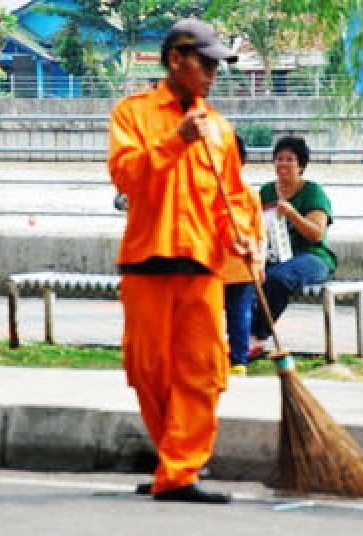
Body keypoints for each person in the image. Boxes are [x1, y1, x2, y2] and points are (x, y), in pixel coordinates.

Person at [107, 18, 259, 504]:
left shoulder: (220, 129)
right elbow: (126, 176)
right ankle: (174, 461)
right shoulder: (133, 115)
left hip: (201, 266)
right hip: (145, 263)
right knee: (147, 370)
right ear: (176, 60)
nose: (213, 74)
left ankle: (177, 472)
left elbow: (233, 196)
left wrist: (245, 235)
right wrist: (176, 140)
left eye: (217, 65)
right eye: (206, 63)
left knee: (203, 371)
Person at [250, 136, 337, 356]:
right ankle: (241, 334)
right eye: (279, 158)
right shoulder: (266, 192)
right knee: (244, 278)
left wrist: (292, 214)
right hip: (273, 256)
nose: (283, 164)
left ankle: (257, 336)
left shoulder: (312, 192)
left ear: (301, 165)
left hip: (310, 256)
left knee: (278, 278)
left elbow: (317, 234)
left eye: (290, 159)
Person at [220, 135, 263, 375]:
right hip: (213, 266)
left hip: (242, 266)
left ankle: (238, 360)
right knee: (210, 317)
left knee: (240, 315)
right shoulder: (206, 192)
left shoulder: (249, 194)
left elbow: (258, 232)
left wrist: (259, 262)